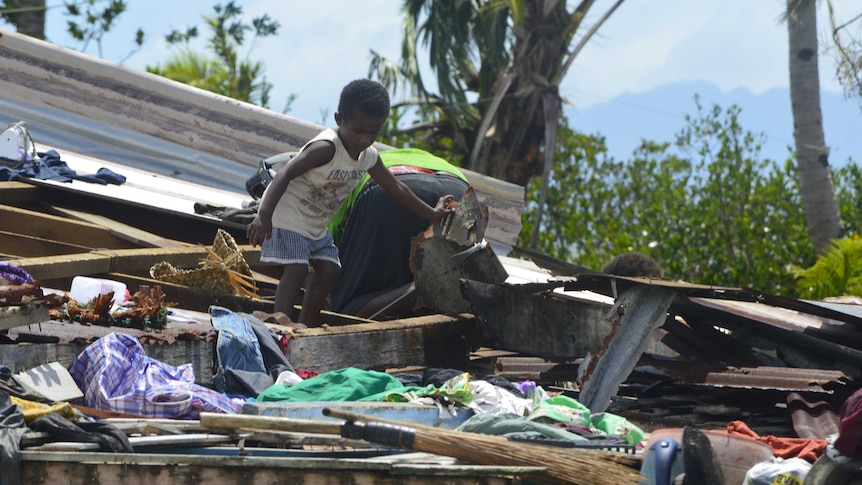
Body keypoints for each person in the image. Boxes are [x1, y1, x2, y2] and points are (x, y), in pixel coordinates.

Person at [246, 79, 454, 325]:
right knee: (297, 269)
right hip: (289, 215)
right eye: (358, 131)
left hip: (314, 224)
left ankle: (305, 326)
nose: (365, 139)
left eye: (373, 133)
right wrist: (264, 215)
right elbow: (284, 174)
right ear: (339, 119)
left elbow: (396, 188)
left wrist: (432, 213)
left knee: (330, 271)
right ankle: (278, 323)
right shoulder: (326, 148)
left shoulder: (368, 157)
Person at [328, 148, 470, 317]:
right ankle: (430, 286)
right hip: (457, 189)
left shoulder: (336, 180)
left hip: (388, 189)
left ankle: (418, 288)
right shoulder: (422, 157)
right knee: (450, 282)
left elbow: (330, 257)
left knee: (346, 308)